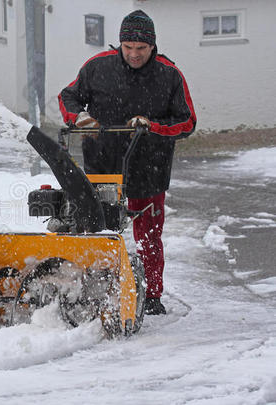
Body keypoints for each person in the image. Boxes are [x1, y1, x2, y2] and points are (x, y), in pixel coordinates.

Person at [58, 10, 197, 315]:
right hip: (103, 164)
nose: (134, 54)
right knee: (97, 228)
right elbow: (68, 97)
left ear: (153, 46)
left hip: (150, 166)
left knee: (148, 233)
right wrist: (79, 117)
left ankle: (151, 295)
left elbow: (187, 122)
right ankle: (93, 286)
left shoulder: (169, 74)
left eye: (141, 49)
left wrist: (154, 126)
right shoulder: (97, 68)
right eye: (128, 48)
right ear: (119, 44)